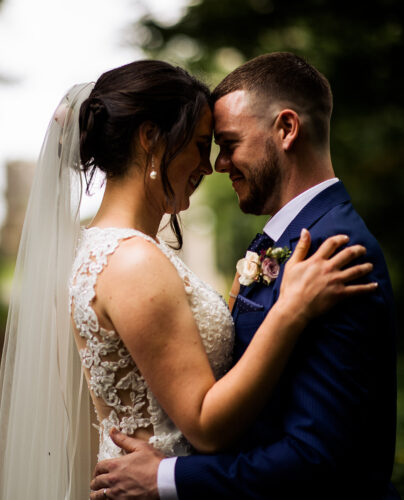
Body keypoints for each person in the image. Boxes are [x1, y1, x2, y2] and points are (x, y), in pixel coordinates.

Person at [0, 59, 377, 500]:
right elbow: (204, 425)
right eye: (199, 144)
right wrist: (289, 311)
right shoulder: (132, 261)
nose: (209, 166)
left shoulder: (104, 248)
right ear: (150, 138)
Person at [89, 53, 399, 499]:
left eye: (228, 143)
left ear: (287, 129)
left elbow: (322, 456)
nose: (218, 164)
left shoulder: (335, 250)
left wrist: (167, 478)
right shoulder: (285, 240)